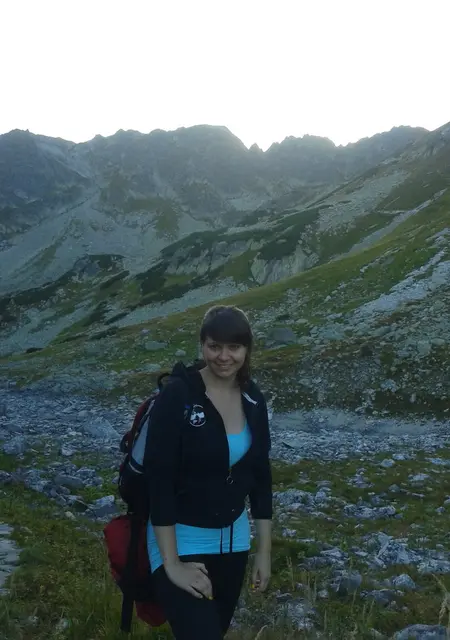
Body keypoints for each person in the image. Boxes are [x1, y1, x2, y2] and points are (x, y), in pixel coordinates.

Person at [144, 305, 273, 639]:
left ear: (246, 349)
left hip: (233, 542)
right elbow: (159, 481)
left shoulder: (253, 398)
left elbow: (260, 478)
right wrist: (172, 564)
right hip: (179, 537)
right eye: (214, 346)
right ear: (202, 345)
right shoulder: (178, 395)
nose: (223, 357)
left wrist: (263, 552)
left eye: (234, 347)